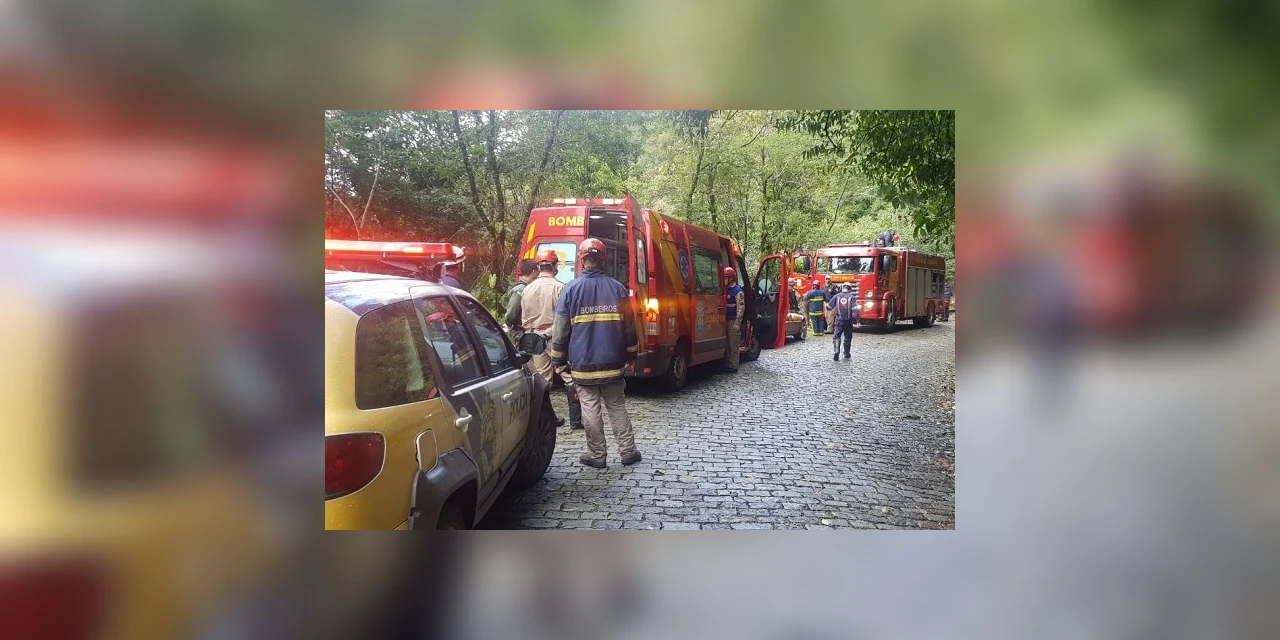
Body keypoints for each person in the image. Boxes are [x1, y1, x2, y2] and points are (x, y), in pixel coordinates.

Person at [549, 238, 642, 468]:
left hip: (583, 363)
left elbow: (560, 330)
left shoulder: (571, 289)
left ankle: (597, 455)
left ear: (581, 260)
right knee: (617, 405)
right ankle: (628, 452)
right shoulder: (618, 288)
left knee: (590, 407)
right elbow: (629, 327)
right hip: (613, 362)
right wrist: (631, 355)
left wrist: (557, 359)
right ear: (603, 259)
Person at [523, 250, 582, 429]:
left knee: (543, 380)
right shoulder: (561, 288)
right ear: (555, 265)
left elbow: (524, 319)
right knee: (569, 376)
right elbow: (566, 318)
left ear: (538, 266)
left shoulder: (527, 289)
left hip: (535, 338)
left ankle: (546, 420)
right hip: (555, 336)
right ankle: (576, 420)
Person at [505, 259, 538, 341]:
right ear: (534, 272)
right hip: (519, 333)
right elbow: (511, 313)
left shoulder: (525, 288)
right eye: (538, 271)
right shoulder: (520, 290)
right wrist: (509, 325)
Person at [827, 283, 859, 361]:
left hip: (839, 320)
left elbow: (828, 307)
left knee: (837, 336)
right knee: (848, 337)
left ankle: (836, 351)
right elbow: (855, 310)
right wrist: (857, 320)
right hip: (848, 321)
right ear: (850, 289)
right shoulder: (852, 297)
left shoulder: (836, 296)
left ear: (842, 288)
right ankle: (846, 353)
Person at [723, 266, 745, 371]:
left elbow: (741, 308)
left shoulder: (738, 291)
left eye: (726, 278)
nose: (724, 280)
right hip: (726, 319)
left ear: (731, 278)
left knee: (733, 343)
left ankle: (733, 365)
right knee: (727, 343)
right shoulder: (726, 290)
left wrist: (737, 323)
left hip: (733, 320)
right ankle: (728, 363)